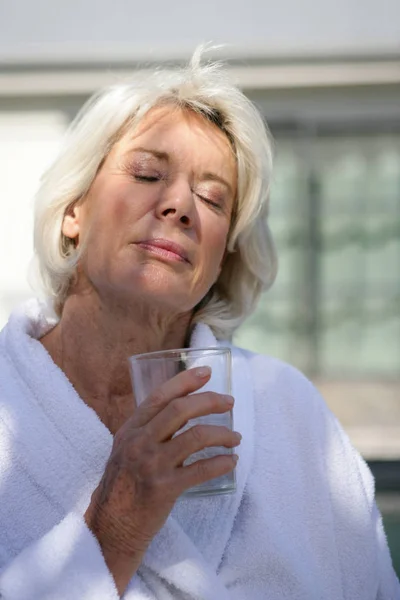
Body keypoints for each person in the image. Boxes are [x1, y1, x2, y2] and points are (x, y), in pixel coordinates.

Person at [0, 48, 398, 600]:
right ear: (74, 211)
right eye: (146, 173)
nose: (180, 206)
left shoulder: (291, 411)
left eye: (213, 199)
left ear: (221, 261)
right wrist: (112, 529)